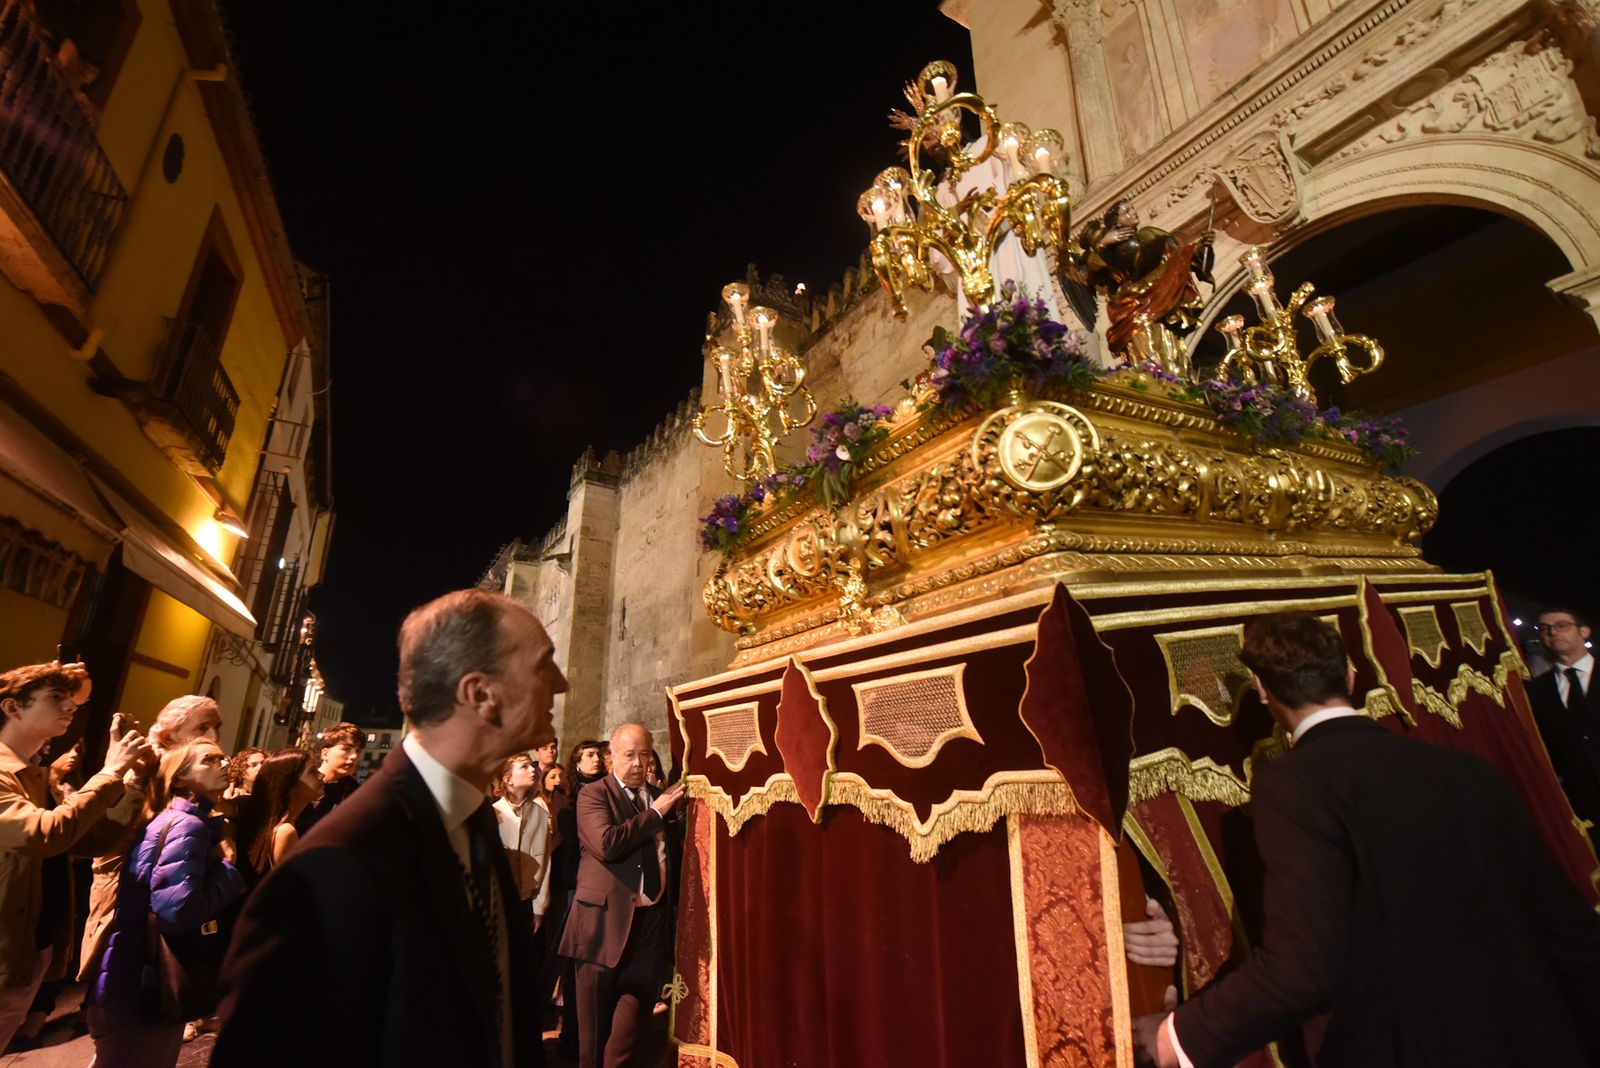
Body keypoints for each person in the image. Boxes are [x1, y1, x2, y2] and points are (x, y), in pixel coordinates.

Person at [1137, 613, 1600, 1068]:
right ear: (1352, 677)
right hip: (1537, 1038)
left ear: (1263, 690)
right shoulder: (1472, 773)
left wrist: (1175, 1037)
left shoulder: (1293, 784)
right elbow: (1566, 925)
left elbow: (1303, 966)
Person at [214, 588, 568, 1067]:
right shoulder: (333, 870)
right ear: (481, 694)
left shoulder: (473, 819)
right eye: (544, 665)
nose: (562, 683)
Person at [0, 661, 151, 1050]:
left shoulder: (35, 774)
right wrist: (109, 773)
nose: (70, 708)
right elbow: (47, 834)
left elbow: (88, 841)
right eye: (56, 699)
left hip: (28, 948)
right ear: (12, 708)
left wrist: (131, 781)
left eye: (72, 702)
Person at [84, 739, 244, 1066]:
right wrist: (228, 871)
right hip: (141, 988)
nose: (224, 764)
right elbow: (178, 912)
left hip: (127, 981)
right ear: (180, 778)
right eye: (209, 760)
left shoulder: (178, 819)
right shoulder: (187, 825)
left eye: (222, 757)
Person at [556, 723, 685, 1068]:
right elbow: (607, 843)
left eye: (644, 754)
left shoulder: (658, 796)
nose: (638, 763)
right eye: (629, 755)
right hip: (602, 931)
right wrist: (657, 813)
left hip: (648, 933)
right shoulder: (594, 794)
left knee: (627, 1044)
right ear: (611, 756)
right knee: (593, 1045)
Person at [1527, 607, 1600, 852]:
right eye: (1545, 628)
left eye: (1561, 625)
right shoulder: (1535, 692)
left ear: (1584, 631)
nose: (1553, 632)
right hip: (1580, 804)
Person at [551, 739, 605, 1059]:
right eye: (589, 755)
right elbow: (572, 842)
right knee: (573, 961)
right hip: (574, 884)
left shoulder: (607, 791)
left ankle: (591, 1034)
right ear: (576, 762)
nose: (596, 759)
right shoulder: (567, 797)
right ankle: (571, 1031)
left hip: (600, 883)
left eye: (598, 754)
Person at [233, 749, 320, 886]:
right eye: (312, 772)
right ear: (290, 784)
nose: (322, 775)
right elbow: (290, 888)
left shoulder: (276, 822)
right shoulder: (284, 831)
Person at [493, 753, 555, 935]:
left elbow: (545, 862)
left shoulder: (540, 814)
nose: (532, 770)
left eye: (531, 765)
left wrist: (539, 907)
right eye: (524, 766)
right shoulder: (494, 813)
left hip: (526, 900)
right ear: (508, 779)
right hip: (499, 901)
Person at [292, 721, 363, 836]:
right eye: (346, 749)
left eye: (358, 751)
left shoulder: (357, 795)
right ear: (325, 753)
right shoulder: (300, 782)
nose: (354, 756)